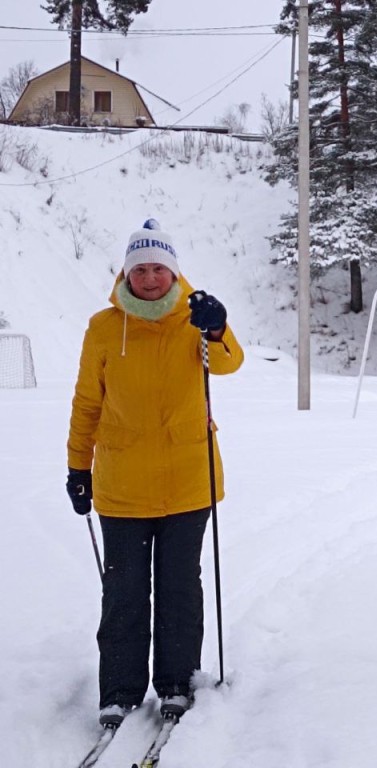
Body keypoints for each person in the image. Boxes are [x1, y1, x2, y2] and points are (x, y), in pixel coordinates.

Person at [65, 219, 244, 725]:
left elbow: (229, 362)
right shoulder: (103, 327)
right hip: (121, 485)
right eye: (139, 268)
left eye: (158, 268)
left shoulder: (195, 320)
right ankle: (119, 692)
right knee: (123, 593)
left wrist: (216, 327)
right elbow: (86, 404)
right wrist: (79, 467)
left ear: (173, 272)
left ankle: (177, 683)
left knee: (180, 589)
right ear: (125, 272)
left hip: (189, 481)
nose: (148, 277)